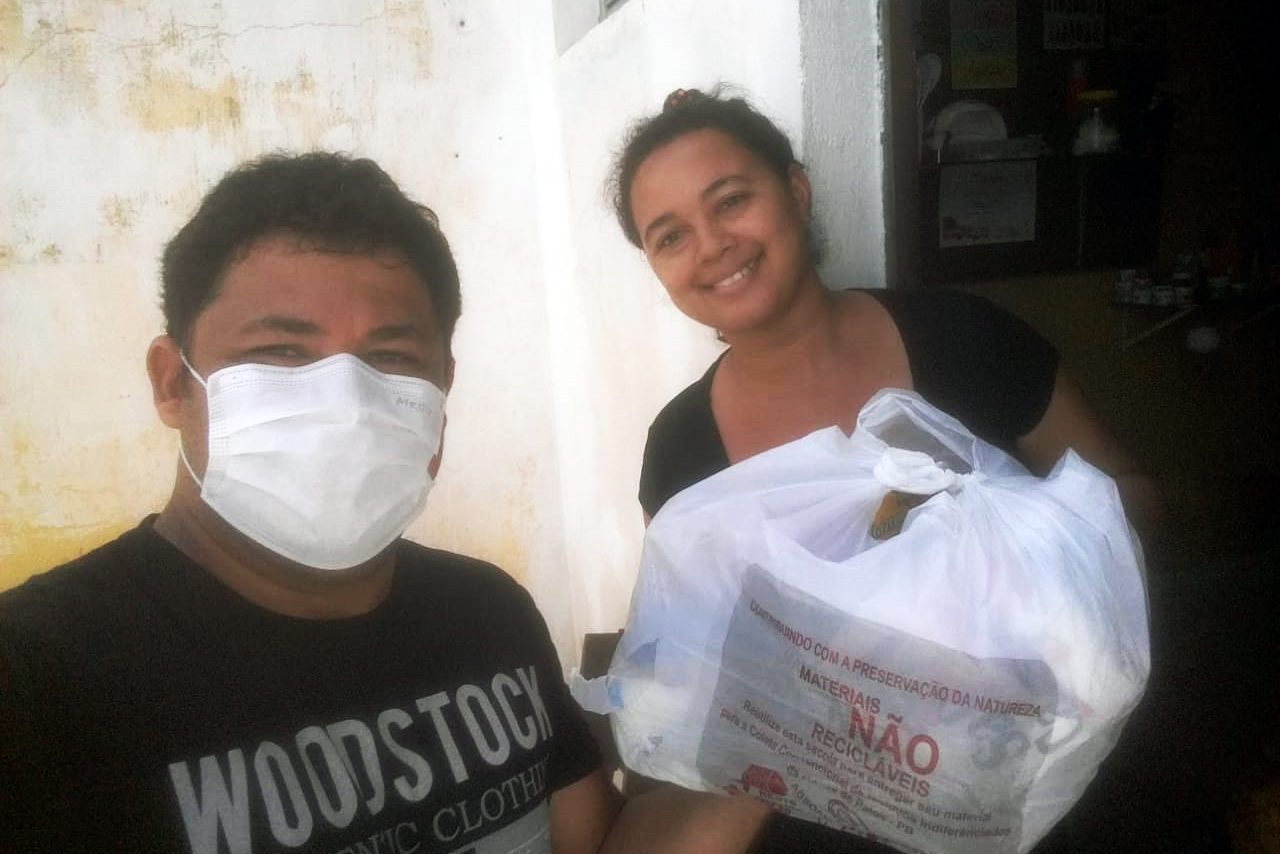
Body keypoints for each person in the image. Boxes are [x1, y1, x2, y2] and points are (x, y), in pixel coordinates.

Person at [0, 152, 768, 854]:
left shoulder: (486, 612)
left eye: (390, 357)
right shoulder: (41, 681)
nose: (344, 399)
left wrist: (780, 732)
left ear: (441, 390)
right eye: (281, 352)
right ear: (173, 383)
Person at [609, 88, 1163, 851]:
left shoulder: (964, 339)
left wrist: (1011, 555)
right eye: (670, 236)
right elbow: (686, 662)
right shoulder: (681, 448)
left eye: (732, 200)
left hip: (1026, 796)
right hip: (823, 828)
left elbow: (1131, 495)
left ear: (795, 192)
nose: (711, 245)